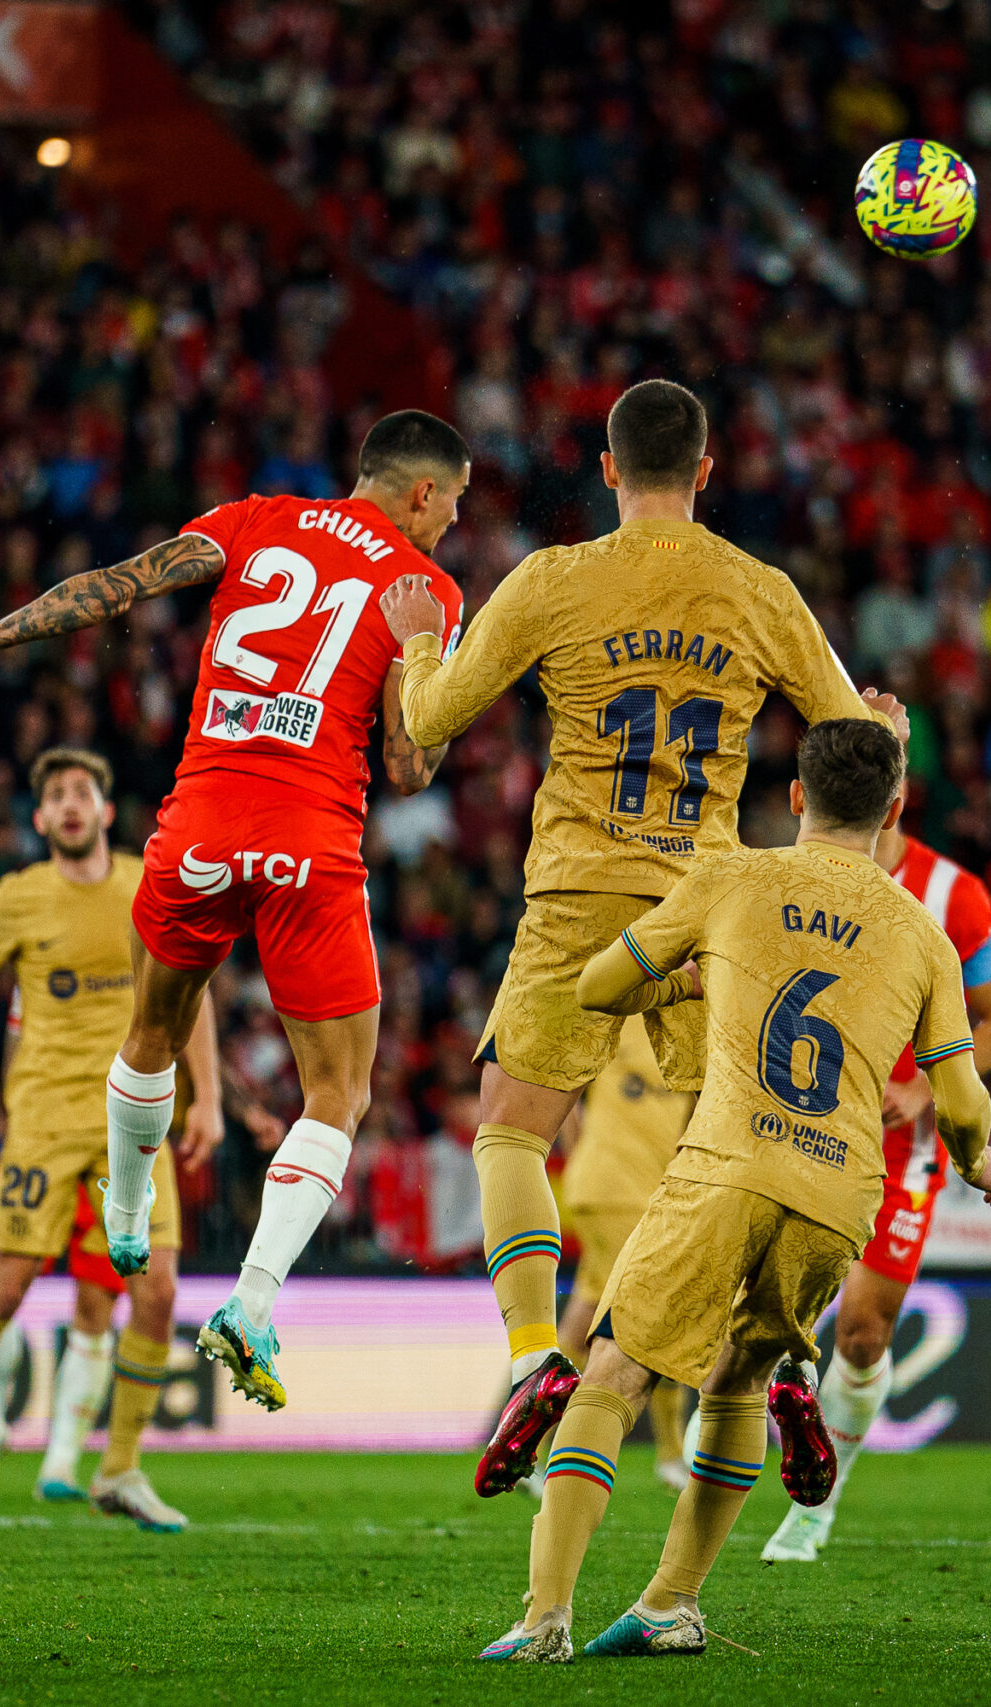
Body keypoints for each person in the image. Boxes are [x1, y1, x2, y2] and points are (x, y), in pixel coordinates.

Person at [378, 379, 907, 1495]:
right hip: (710, 908)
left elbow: (427, 723)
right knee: (753, 1150)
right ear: (706, 472)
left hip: (577, 898)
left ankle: (534, 1358)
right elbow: (850, 739)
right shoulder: (759, 592)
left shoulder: (556, 578)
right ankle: (775, 1364)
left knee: (511, 1138)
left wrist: (419, 645)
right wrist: (885, 736)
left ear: (607, 470)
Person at [0, 410, 468, 1412]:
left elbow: (120, 583)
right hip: (310, 845)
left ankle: (123, 1209)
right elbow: (412, 769)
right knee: (335, 1097)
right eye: (453, 505)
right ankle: (250, 1303)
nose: (453, 526)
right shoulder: (426, 587)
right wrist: (424, 654)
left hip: (198, 824)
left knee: (150, 1031)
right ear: (420, 492)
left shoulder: (254, 520)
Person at [478, 719, 991, 1662]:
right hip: (841, 1189)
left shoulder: (733, 877)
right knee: (740, 1379)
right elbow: (962, 1103)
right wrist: (978, 1164)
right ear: (894, 809)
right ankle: (672, 1603)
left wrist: (685, 985)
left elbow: (600, 986)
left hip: (726, 1163)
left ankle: (544, 1617)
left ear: (796, 798)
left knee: (613, 1372)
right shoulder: (924, 937)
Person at [0, 747, 226, 1531]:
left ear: (106, 812)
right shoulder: (14, 897)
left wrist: (208, 1096)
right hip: (43, 1122)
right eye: (56, 795)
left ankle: (118, 1467)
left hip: (135, 1121)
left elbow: (192, 991)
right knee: (6, 1288)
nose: (71, 803)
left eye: (84, 790)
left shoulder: (144, 884)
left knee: (158, 1293)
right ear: (41, 819)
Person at [764, 806, 991, 1561]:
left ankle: (816, 1508)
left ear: (902, 793)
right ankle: (723, 1431)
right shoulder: (793, 872)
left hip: (903, 1139)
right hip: (798, 1116)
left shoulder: (953, 893)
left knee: (862, 1329)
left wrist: (925, 1090)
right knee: (760, 1294)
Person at [532, 1015, 695, 1497]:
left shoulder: (696, 1031)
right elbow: (564, 1084)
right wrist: (585, 1153)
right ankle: (670, 1456)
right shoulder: (622, 1017)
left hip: (640, 1193)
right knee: (663, 1314)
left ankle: (529, 1446)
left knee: (583, 1318)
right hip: (618, 1193)